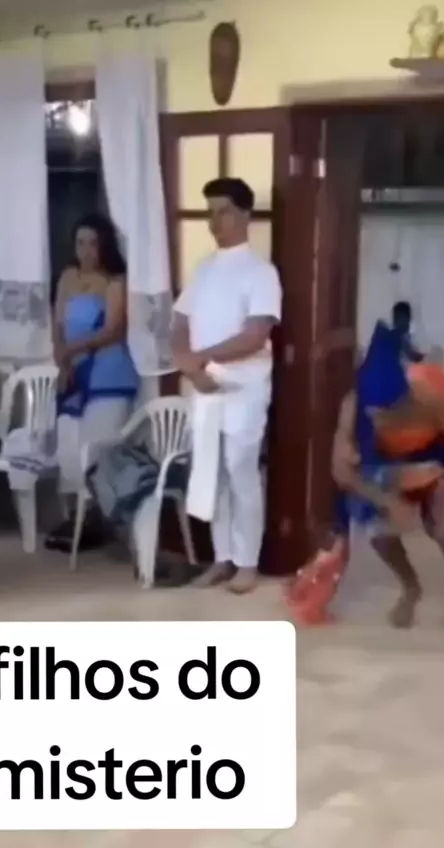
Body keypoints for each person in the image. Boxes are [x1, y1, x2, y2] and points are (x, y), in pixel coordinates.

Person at [287, 320, 444, 630]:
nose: (378, 421)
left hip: (441, 464)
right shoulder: (353, 406)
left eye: (387, 414)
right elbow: (342, 472)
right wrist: (387, 502)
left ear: (408, 398)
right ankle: (410, 587)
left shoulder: (435, 392)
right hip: (390, 472)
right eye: (373, 414)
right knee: (377, 530)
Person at [172, 178, 282, 594]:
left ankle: (247, 563)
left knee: (241, 471)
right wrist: (189, 364)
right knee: (211, 473)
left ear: (245, 214)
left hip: (243, 390)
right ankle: (222, 559)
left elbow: (254, 336)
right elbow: (179, 324)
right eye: (210, 212)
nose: (215, 221)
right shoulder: (203, 269)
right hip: (204, 388)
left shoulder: (261, 272)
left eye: (224, 212)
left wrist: (202, 358)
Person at [53, 213, 139, 516]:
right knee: (68, 448)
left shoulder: (115, 281)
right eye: (81, 243)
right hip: (75, 373)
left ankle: (102, 518)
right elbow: (58, 326)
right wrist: (63, 362)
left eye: (93, 243)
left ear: (105, 246)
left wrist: (72, 350)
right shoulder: (67, 277)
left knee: (97, 450)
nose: (86, 250)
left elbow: (113, 331)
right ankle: (79, 518)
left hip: (109, 374)